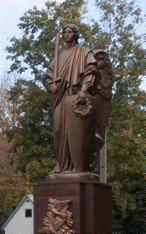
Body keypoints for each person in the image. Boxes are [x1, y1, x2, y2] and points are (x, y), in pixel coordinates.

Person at [43, 24, 100, 173]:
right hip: (60, 98)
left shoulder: (84, 52)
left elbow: (92, 71)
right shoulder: (59, 56)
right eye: (65, 32)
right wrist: (50, 85)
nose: (67, 34)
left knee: (76, 132)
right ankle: (62, 166)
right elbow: (47, 75)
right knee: (58, 130)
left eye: (70, 32)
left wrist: (84, 90)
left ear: (76, 34)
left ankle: (78, 165)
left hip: (76, 96)